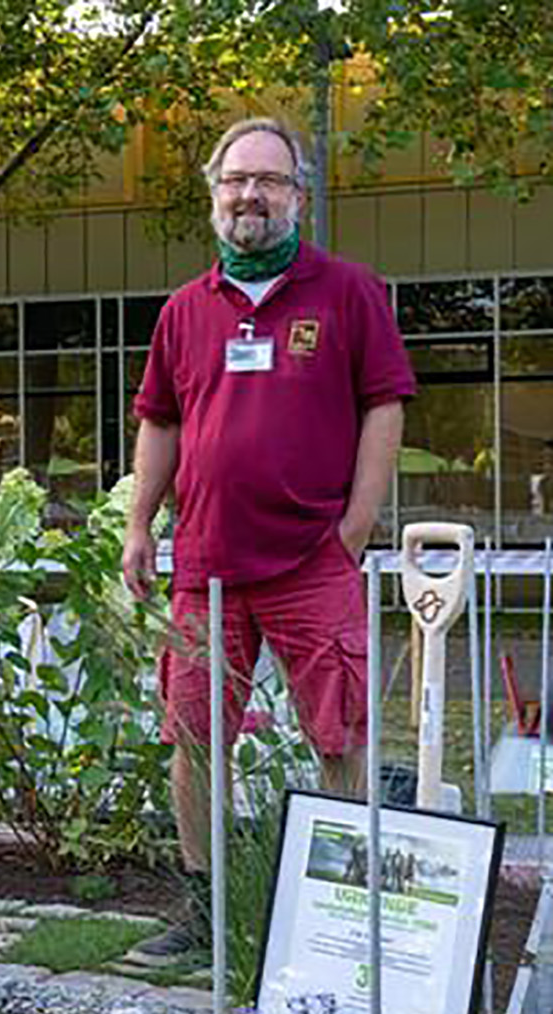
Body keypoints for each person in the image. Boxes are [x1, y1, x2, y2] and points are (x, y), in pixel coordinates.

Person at [122, 117, 415, 955]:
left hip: (312, 562)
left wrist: (354, 530)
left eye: (269, 180)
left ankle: (346, 908)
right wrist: (141, 523)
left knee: (342, 731)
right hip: (205, 564)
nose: (250, 195)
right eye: (235, 180)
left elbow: (383, 407)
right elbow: (160, 423)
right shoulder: (185, 310)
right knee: (194, 738)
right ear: (215, 193)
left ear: (300, 195)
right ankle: (201, 907)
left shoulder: (348, 292)